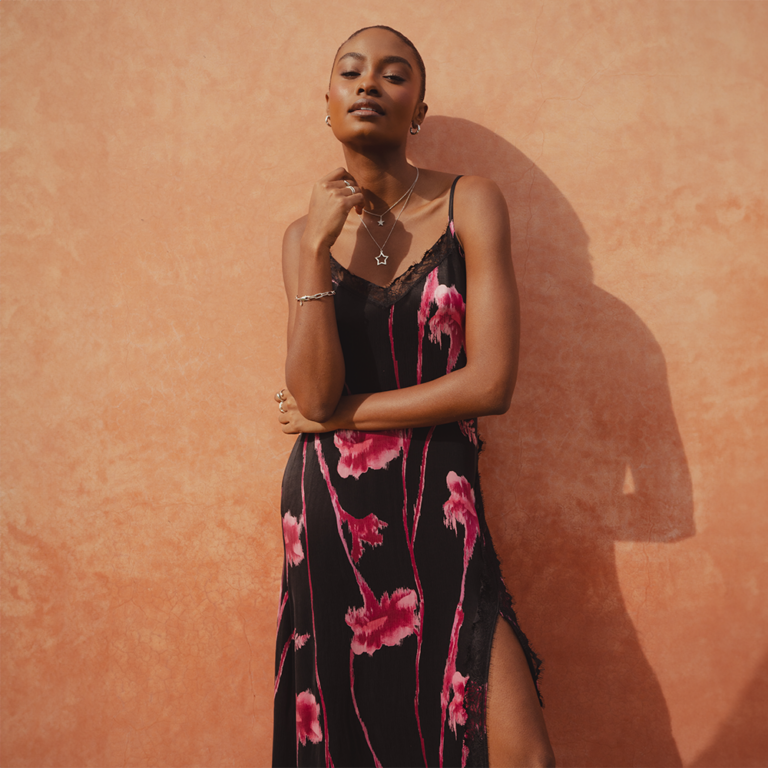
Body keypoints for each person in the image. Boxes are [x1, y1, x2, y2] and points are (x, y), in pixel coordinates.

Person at [272, 25, 555, 767]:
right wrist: (312, 252)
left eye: (394, 76)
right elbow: (312, 388)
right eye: (351, 72)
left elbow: (491, 383)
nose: (369, 84)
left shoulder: (472, 204)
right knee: (353, 740)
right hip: (331, 513)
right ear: (327, 103)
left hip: (440, 501)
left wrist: (342, 417)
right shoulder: (304, 235)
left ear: (418, 110)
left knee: (522, 751)